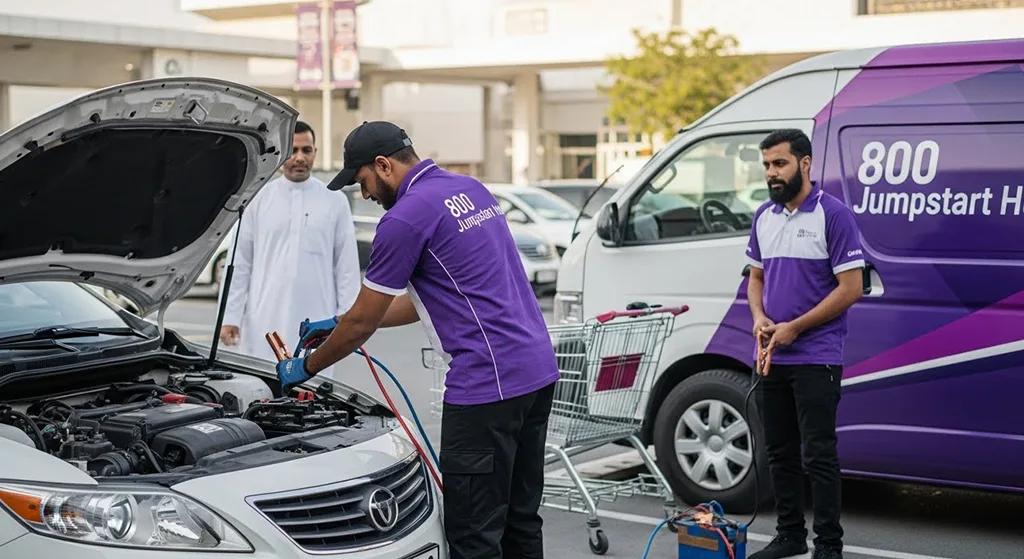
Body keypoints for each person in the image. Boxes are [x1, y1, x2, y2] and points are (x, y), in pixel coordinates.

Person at [274, 121, 560, 559]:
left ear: (384, 165)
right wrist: (338, 319)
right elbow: (424, 300)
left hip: (487, 387)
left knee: (473, 534)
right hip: (536, 373)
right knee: (520, 521)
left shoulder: (404, 217)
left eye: (362, 180)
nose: (364, 193)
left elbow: (361, 327)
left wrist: (303, 368)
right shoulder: (471, 190)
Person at [746, 129, 864, 559]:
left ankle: (828, 546)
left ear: (805, 163)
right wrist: (760, 318)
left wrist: (795, 327)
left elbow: (851, 288)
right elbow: (756, 278)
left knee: (818, 455)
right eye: (766, 165)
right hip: (771, 355)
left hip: (817, 356)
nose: (771, 173)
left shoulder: (834, 215)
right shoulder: (764, 215)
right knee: (779, 452)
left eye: (780, 163)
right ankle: (790, 536)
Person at [219, 121, 361, 366]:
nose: (299, 158)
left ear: (315, 152)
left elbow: (346, 267)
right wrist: (229, 317)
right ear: (281, 153)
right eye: (293, 151)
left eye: (306, 150)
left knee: (313, 396)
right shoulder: (258, 198)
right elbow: (240, 262)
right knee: (262, 391)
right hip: (263, 321)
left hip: (319, 321)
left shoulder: (335, 200)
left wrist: (347, 321)